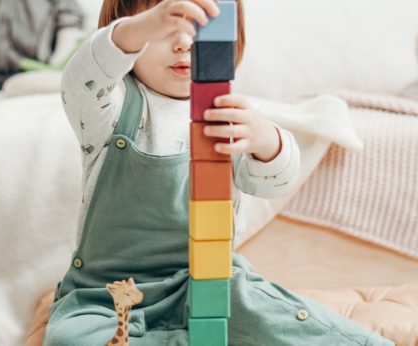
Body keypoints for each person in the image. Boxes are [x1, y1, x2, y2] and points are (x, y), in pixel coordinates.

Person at [43, 0, 392, 345]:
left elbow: (274, 183)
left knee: (267, 310)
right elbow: (81, 80)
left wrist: (266, 140)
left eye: (199, 28)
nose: (184, 42)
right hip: (108, 293)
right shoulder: (110, 108)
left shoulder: (227, 113)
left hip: (206, 281)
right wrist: (137, 30)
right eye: (166, 28)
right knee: (69, 338)